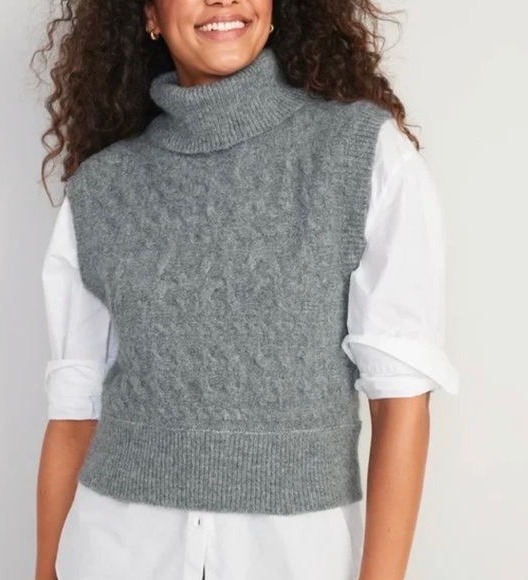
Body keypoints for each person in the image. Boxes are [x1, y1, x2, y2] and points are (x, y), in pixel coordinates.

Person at [33, 1, 460, 579]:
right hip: (116, 553)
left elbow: (401, 398)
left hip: (296, 558)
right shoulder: (102, 186)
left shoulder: (361, 153)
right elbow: (74, 410)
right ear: (150, 14)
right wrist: (45, 569)